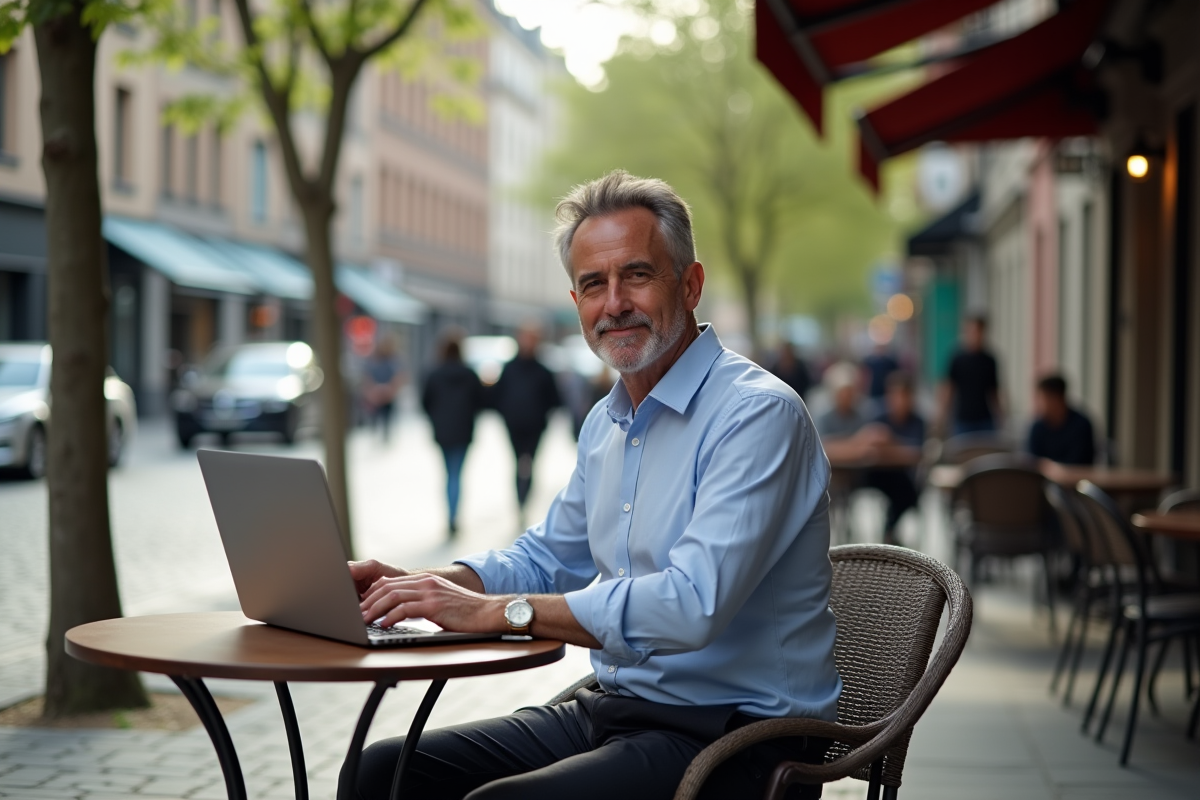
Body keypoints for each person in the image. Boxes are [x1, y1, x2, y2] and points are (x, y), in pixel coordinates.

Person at [344, 170, 839, 800]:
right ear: (575, 302)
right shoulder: (606, 423)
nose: (614, 304)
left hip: (742, 737)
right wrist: (428, 587)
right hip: (617, 710)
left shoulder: (757, 415)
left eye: (636, 275)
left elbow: (692, 604)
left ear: (690, 285)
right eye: (592, 285)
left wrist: (499, 613)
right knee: (383, 772)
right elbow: (549, 557)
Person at [490, 324, 561, 516]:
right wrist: (506, 413)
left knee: (529, 463)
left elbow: (554, 399)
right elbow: (497, 396)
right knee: (517, 462)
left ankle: (525, 498)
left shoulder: (543, 371)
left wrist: (543, 415)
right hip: (514, 424)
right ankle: (519, 501)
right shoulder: (510, 368)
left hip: (535, 426)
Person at [422, 332, 485, 537]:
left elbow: (425, 402)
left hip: (443, 431)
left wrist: (437, 419)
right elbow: (480, 402)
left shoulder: (434, 374)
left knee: (448, 474)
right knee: (457, 474)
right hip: (463, 430)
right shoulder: (469, 374)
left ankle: (450, 517)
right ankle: (454, 516)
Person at [859, 371, 925, 545]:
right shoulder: (878, 417)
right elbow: (868, 447)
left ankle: (889, 533)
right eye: (895, 395)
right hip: (877, 474)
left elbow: (917, 452)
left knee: (905, 489)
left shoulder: (918, 421)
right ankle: (889, 534)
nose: (899, 401)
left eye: (904, 395)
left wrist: (890, 444)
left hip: (902, 477)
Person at [939, 315, 1002, 437]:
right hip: (963, 418)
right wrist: (942, 416)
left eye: (979, 331)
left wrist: (1000, 416)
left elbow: (994, 391)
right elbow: (948, 389)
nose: (975, 335)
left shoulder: (990, 360)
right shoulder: (957, 358)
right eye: (972, 331)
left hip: (985, 419)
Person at [1027, 374, 1096, 465]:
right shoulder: (1037, 427)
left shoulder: (1081, 425)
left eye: (1041, 398)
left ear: (1055, 398)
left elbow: (1082, 462)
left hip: (1076, 478)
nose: (1038, 404)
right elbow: (1032, 461)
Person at [362, 335, 405, 442]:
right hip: (376, 395)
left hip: (388, 395)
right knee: (375, 416)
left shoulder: (393, 361)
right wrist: (372, 391)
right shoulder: (374, 361)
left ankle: (385, 436)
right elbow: (368, 377)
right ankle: (375, 434)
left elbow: (399, 377)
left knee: (387, 417)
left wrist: (390, 389)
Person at [815, 361, 866, 440]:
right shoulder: (824, 420)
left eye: (850, 394)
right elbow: (823, 444)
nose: (847, 398)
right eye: (843, 394)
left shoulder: (861, 416)